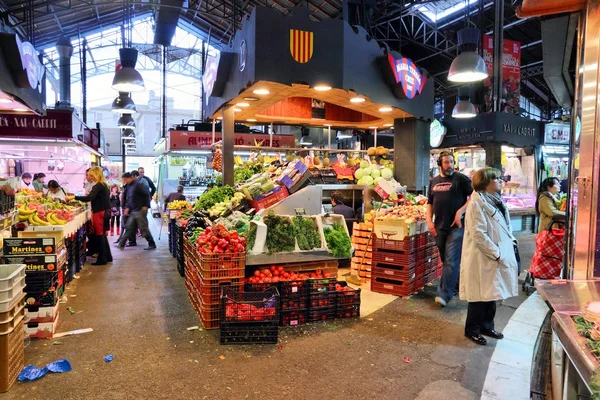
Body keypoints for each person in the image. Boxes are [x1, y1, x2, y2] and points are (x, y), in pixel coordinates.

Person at [460, 167, 518, 346]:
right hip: (484, 256)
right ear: (486, 183)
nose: (501, 181)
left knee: (492, 293)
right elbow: (478, 234)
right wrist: (496, 253)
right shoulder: (476, 204)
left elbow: (504, 226)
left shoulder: (495, 200)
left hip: (494, 255)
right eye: (497, 179)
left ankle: (487, 326)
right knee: (479, 296)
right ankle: (472, 330)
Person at [427, 151, 473, 307]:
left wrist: (461, 212)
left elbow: (474, 196)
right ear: (440, 163)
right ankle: (457, 284)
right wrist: (429, 221)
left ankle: (444, 295)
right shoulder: (434, 181)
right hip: (439, 226)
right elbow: (430, 203)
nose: (450, 165)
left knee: (451, 259)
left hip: (456, 227)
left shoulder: (461, 179)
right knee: (446, 259)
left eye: (452, 162)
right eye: (446, 162)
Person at [65, 167, 113, 266]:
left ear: (96, 175)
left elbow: (89, 198)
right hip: (106, 211)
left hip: (99, 212)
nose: (90, 177)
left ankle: (102, 259)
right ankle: (107, 256)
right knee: (102, 235)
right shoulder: (105, 185)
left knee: (99, 235)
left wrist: (74, 197)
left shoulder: (97, 186)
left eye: (91, 175)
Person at [117, 172, 156, 251]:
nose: (124, 181)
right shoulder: (128, 186)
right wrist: (127, 207)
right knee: (129, 227)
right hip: (133, 210)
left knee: (143, 228)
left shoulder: (138, 185)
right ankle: (121, 244)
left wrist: (146, 205)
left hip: (140, 210)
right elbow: (129, 198)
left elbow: (146, 194)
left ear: (129, 178)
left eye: (125, 179)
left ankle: (152, 243)